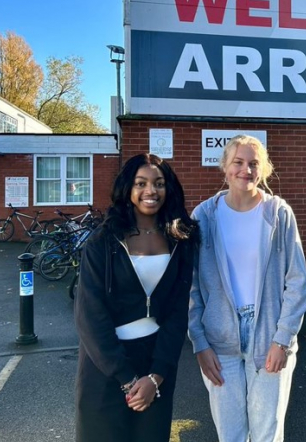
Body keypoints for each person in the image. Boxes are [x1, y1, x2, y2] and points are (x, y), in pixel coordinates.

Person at [189, 134, 306, 442]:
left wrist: (282, 340)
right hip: (220, 343)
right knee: (230, 434)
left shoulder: (279, 214)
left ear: (263, 170)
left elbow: (297, 282)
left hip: (269, 335)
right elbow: (190, 288)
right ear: (225, 168)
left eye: (254, 164)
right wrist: (199, 343)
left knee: (267, 434)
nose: (246, 170)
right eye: (238, 162)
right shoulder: (204, 217)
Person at [74, 153, 199, 442]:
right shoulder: (103, 241)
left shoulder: (180, 240)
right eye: (140, 183)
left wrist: (156, 375)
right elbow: (90, 316)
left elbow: (178, 312)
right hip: (105, 365)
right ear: (128, 189)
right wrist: (128, 380)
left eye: (159, 183)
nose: (150, 191)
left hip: (156, 362)